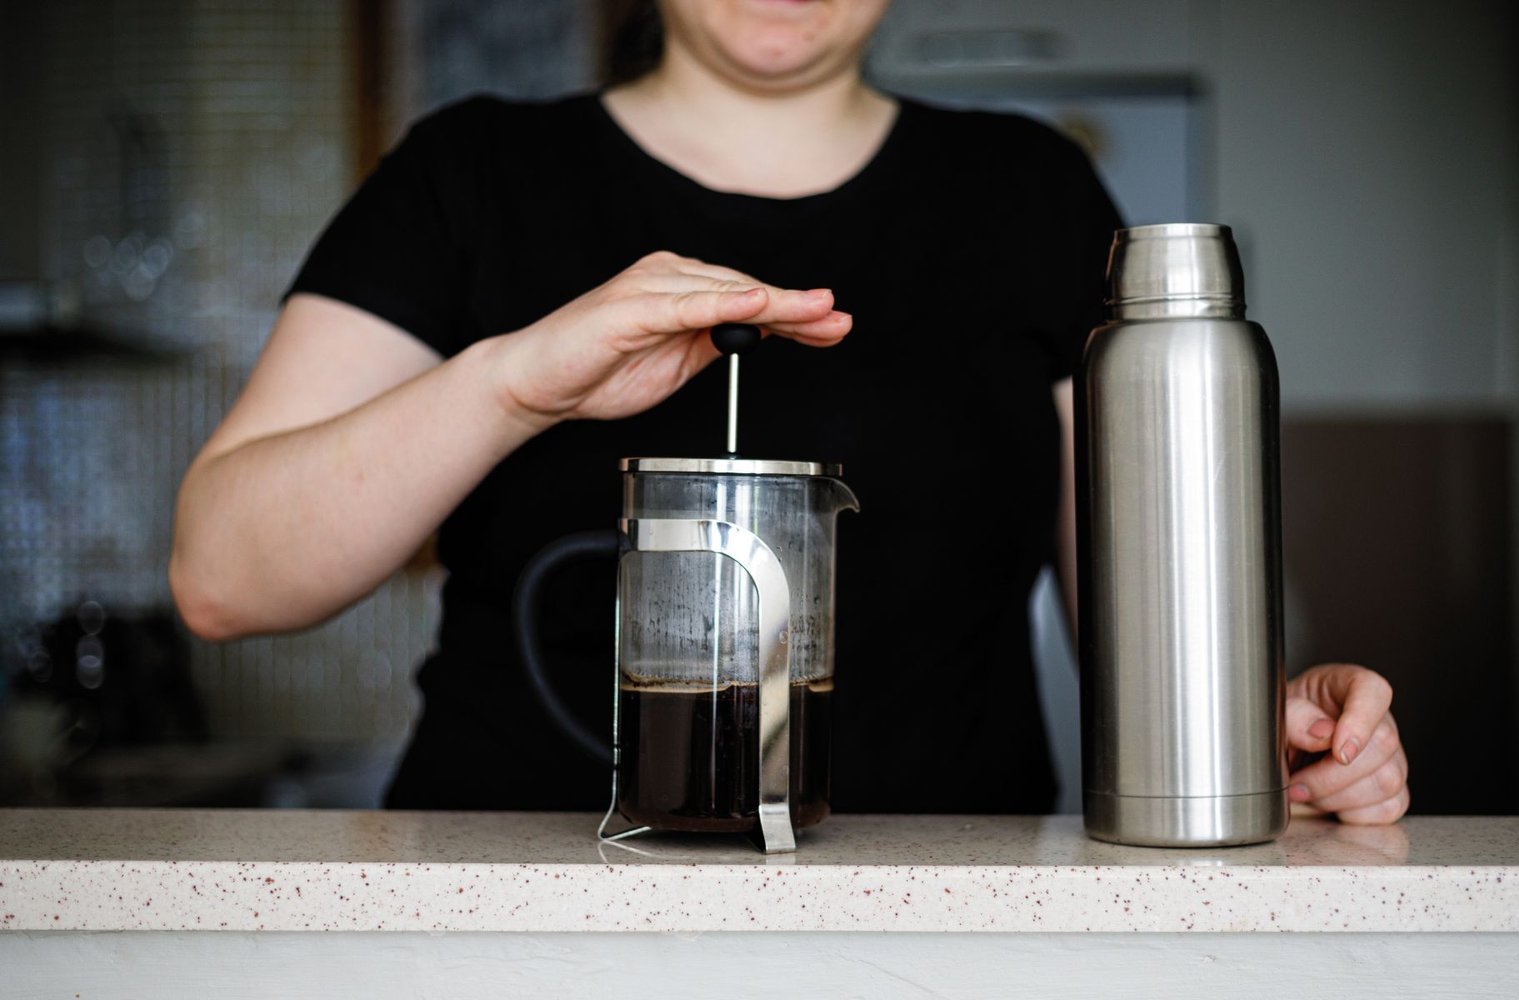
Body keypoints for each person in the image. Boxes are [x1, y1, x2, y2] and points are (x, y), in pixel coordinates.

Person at [170, 0, 1409, 825]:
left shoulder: (1029, 189)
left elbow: (1152, 626)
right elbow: (223, 577)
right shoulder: (469, 171)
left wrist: (1276, 729)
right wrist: (512, 379)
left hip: (948, 930)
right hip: (511, 921)